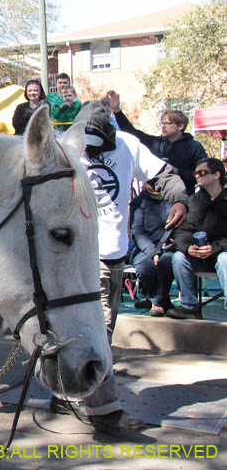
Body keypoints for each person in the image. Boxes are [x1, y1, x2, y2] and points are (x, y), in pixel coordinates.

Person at [58, 100, 187, 433]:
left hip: (117, 256)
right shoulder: (66, 147)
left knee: (102, 330)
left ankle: (66, 390)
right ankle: (104, 411)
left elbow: (164, 175)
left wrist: (179, 198)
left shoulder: (128, 145)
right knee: (97, 332)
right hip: (84, 256)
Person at [108, 90, 207, 194]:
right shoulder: (156, 143)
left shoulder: (194, 147)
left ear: (180, 126)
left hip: (182, 198)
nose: (163, 126)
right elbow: (132, 132)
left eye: (167, 123)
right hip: (153, 198)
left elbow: (202, 174)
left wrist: (177, 172)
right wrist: (117, 111)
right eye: (162, 123)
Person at [167, 158, 227, 319]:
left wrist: (215, 247)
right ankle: (189, 307)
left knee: (224, 259)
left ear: (216, 175)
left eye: (201, 172)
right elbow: (181, 232)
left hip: (221, 253)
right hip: (198, 255)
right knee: (178, 257)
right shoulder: (193, 201)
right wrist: (188, 247)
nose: (196, 176)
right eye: (195, 173)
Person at [131, 182, 174, 317]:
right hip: (144, 247)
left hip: (168, 246)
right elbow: (137, 231)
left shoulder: (173, 199)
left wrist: (165, 246)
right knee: (144, 267)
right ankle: (160, 299)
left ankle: (158, 302)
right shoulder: (139, 202)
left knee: (166, 262)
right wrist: (153, 252)